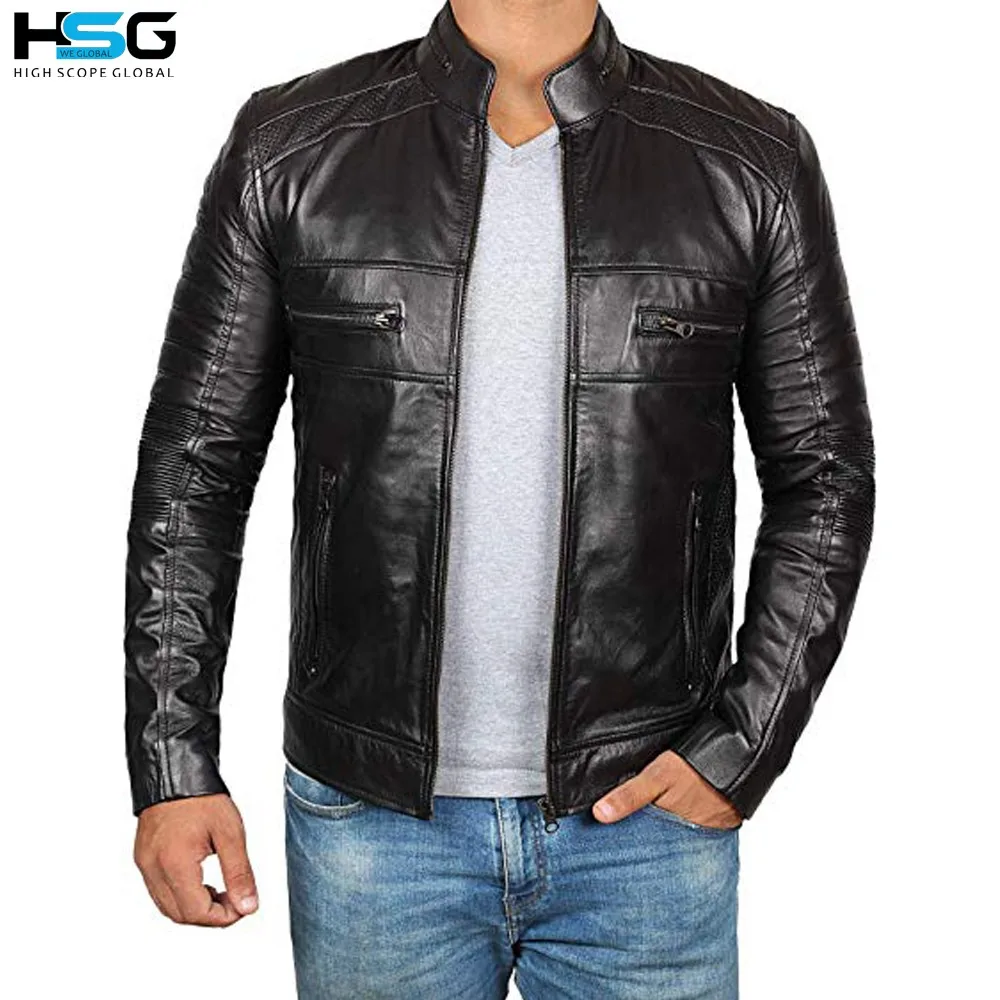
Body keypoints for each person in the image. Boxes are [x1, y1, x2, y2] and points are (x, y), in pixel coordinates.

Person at [124, 1, 875, 996]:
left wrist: (741, 746)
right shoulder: (293, 146)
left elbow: (824, 478)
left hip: (646, 820)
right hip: (372, 822)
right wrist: (173, 763)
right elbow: (195, 472)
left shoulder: (746, 159)